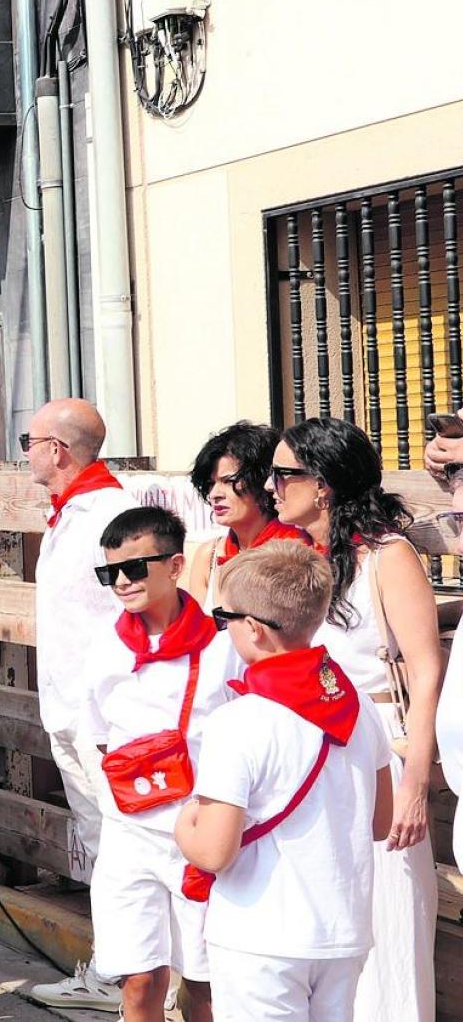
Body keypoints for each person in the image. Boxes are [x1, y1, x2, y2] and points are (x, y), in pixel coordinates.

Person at [176, 542, 392, 1022]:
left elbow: (213, 850)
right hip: (341, 930)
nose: (223, 629)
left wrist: (183, 823)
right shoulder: (358, 706)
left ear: (253, 628)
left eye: (223, 618)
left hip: (262, 933)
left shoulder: (239, 721)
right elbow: (381, 823)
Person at [270, 417, 439, 1021]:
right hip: (305, 762)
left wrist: (414, 786)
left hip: (377, 757)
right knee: (321, 921)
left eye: (283, 474)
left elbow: (426, 672)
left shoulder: (387, 557)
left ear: (324, 484)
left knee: (387, 921)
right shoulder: (293, 559)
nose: (270, 487)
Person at [80, 507, 236, 1022]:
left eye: (135, 568)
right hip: (129, 831)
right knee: (140, 979)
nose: (121, 582)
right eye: (110, 573)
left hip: (200, 830)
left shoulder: (222, 643)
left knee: (207, 983)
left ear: (173, 566)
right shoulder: (104, 642)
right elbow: (98, 735)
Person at [22, 398, 136, 1011]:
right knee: (100, 842)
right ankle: (115, 971)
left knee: (121, 844)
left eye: (30, 440)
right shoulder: (72, 511)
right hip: (69, 709)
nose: (28, 452)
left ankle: (132, 977)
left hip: (105, 715)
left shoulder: (109, 513)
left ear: (57, 449)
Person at [183, 422, 303, 607]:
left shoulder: (298, 550)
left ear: (263, 481)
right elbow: (198, 632)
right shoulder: (209, 555)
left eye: (228, 481)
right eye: (210, 484)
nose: (215, 494)